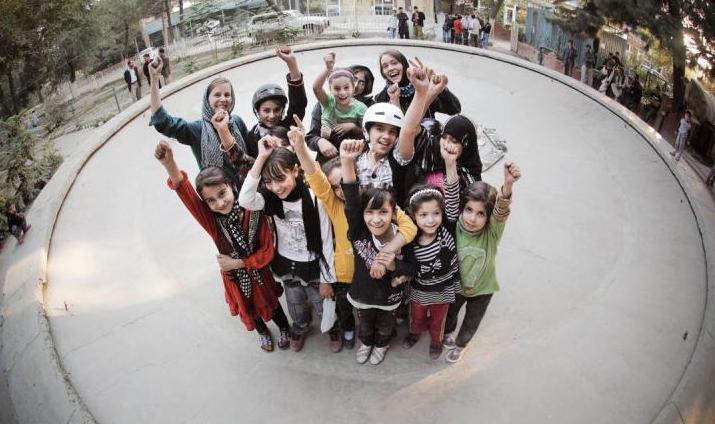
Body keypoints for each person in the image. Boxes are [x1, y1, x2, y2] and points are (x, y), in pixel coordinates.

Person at [288, 115, 417, 353]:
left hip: (375, 273)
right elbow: (315, 176)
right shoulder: (333, 205)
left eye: (345, 183)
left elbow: (409, 227)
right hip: (344, 275)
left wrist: (387, 253)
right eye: (334, 187)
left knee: (376, 311)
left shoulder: (373, 206)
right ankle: (350, 331)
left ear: (357, 178)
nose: (342, 191)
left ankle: (380, 337)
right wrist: (301, 148)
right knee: (348, 311)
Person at [154, 141, 291, 352]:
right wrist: (169, 165)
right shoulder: (213, 222)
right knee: (248, 308)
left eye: (222, 194)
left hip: (259, 272)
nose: (219, 203)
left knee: (271, 303)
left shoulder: (252, 209)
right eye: (210, 201)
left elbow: (266, 251)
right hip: (235, 280)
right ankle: (263, 332)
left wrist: (239, 263)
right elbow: (186, 194)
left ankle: (283, 327)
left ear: (231, 186)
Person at [238, 140, 336, 352]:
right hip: (286, 264)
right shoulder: (269, 198)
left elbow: (327, 240)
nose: (276, 187)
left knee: (321, 302)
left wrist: (327, 279)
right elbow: (245, 200)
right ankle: (300, 327)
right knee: (295, 303)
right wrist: (261, 157)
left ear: (295, 171)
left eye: (281, 179)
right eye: (269, 182)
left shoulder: (314, 198)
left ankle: (331, 327)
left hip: (313, 265)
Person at [339, 139, 417, 365]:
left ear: (394, 213)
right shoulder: (358, 231)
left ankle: (382, 345)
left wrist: (393, 265)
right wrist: (346, 162)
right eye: (369, 212)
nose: (375, 219)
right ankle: (366, 343)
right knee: (364, 325)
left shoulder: (403, 237)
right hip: (362, 295)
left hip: (389, 299)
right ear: (362, 214)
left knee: (385, 326)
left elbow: (412, 267)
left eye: (383, 212)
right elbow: (351, 199)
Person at [443, 160, 522, 363]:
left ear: (488, 217)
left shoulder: (491, 233)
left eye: (480, 214)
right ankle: (447, 332)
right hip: (456, 286)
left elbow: (501, 211)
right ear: (462, 208)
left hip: (483, 289)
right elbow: (451, 194)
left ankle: (461, 344)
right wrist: (450, 163)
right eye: (469, 210)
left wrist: (508, 185)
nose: (472, 218)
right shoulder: (454, 227)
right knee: (449, 314)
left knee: (472, 320)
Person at [148, 57, 252, 182]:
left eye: (227, 95)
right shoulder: (197, 130)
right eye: (217, 95)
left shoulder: (237, 122)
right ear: (207, 100)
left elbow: (252, 154)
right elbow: (163, 122)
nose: (223, 99)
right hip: (217, 192)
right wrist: (154, 80)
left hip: (248, 188)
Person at [402, 150, 461, 359]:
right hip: (419, 290)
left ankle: (436, 341)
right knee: (416, 316)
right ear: (413, 216)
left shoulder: (447, 230)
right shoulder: (409, 240)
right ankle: (414, 333)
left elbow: (452, 196)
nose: (430, 220)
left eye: (436, 213)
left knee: (438, 320)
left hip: (444, 289)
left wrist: (450, 164)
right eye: (423, 215)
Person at [356, 65, 440, 206]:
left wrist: (421, 92)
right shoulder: (355, 158)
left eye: (392, 132)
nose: (386, 136)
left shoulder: (397, 158)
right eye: (379, 129)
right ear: (367, 131)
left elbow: (408, 129)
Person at [245, 46, 307, 158]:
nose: (272, 116)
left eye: (277, 110)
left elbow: (299, 102)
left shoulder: (289, 127)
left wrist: (291, 63)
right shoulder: (253, 136)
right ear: (257, 111)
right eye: (266, 110)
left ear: (283, 109)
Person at [306, 64, 375, 163]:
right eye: (355, 79)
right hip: (329, 161)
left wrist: (354, 127)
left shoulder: (368, 107)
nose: (356, 85)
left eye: (362, 82)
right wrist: (319, 141)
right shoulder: (325, 103)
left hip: (357, 160)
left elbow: (372, 136)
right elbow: (310, 138)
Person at [374, 50, 461, 118]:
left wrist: (438, 86)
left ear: (404, 64)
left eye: (394, 63)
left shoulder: (423, 87)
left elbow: (454, 110)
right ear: (382, 72)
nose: (390, 68)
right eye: (385, 66)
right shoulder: (381, 98)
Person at [409, 114, 483, 193]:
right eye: (444, 137)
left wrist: (450, 164)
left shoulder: (471, 182)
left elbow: (453, 199)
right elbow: (410, 129)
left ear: (466, 147)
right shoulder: (433, 151)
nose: (446, 144)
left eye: (454, 141)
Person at [313, 52, 367, 154]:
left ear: (353, 87)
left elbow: (367, 132)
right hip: (329, 150)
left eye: (346, 88)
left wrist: (352, 126)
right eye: (337, 89)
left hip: (352, 149)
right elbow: (316, 88)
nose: (342, 93)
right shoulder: (327, 101)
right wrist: (327, 69)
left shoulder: (360, 108)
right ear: (330, 89)